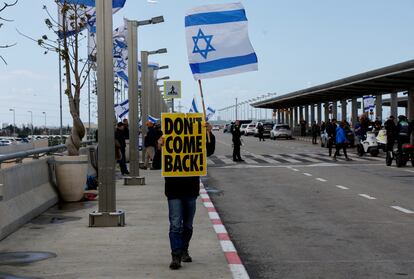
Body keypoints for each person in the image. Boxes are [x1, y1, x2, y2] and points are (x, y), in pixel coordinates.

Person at [162, 123, 216, 270]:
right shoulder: (167, 143)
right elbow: (156, 163)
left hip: (190, 190)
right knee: (175, 225)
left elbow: (209, 150)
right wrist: (160, 146)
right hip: (173, 191)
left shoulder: (195, 145)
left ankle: (184, 249)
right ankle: (176, 255)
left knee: (187, 225)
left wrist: (208, 134)